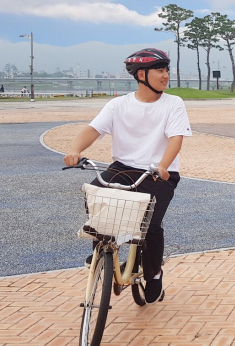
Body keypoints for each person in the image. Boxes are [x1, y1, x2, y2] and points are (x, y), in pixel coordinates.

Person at [63, 48, 192, 304]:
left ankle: (153, 273)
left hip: (158, 173)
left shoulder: (173, 103)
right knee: (94, 194)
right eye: (160, 70)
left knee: (151, 224)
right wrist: (75, 150)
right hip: (123, 167)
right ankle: (103, 250)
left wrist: (164, 165)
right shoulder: (118, 104)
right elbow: (93, 129)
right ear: (141, 74)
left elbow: (176, 139)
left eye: (166, 70)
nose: (166, 75)